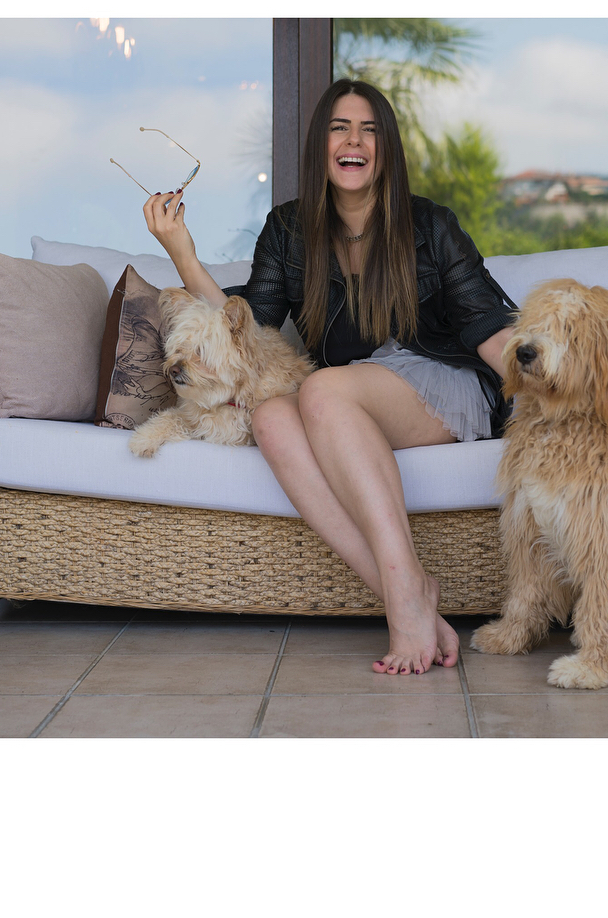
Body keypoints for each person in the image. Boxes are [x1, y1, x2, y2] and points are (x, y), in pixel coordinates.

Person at [143, 78, 515, 676]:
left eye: (369, 131)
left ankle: (404, 596)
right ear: (321, 145)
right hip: (345, 397)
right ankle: (406, 591)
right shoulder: (288, 229)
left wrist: (557, 403)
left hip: (442, 380)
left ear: (386, 148)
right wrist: (181, 250)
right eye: (340, 129)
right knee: (271, 416)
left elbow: (489, 327)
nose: (354, 142)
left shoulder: (430, 224)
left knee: (320, 387)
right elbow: (249, 329)